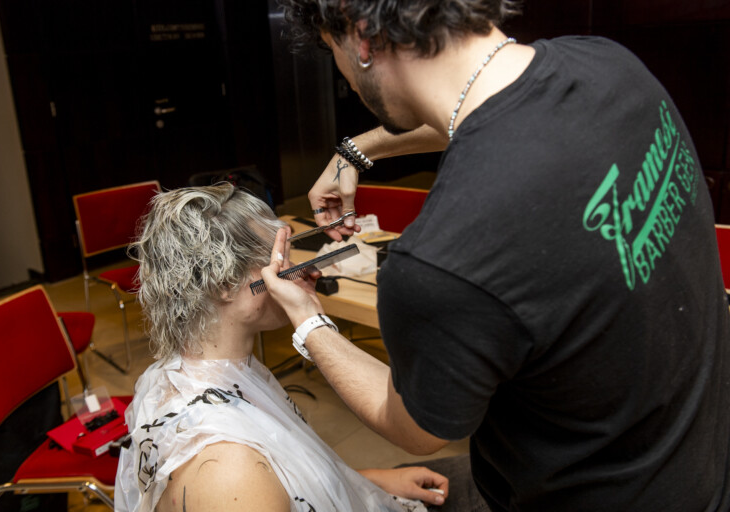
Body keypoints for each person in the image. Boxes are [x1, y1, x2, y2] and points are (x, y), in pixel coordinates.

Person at [262, 1, 730, 510]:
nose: (346, 77)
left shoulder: (442, 259)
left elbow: (414, 428)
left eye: (332, 51)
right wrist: (354, 152)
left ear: (362, 38)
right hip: (699, 462)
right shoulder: (609, 66)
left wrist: (307, 318)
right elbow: (473, 111)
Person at [114, 184, 471, 512]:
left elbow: (290, 478)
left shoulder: (173, 375)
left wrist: (370, 481)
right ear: (223, 282)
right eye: (277, 258)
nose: (293, 269)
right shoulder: (229, 471)